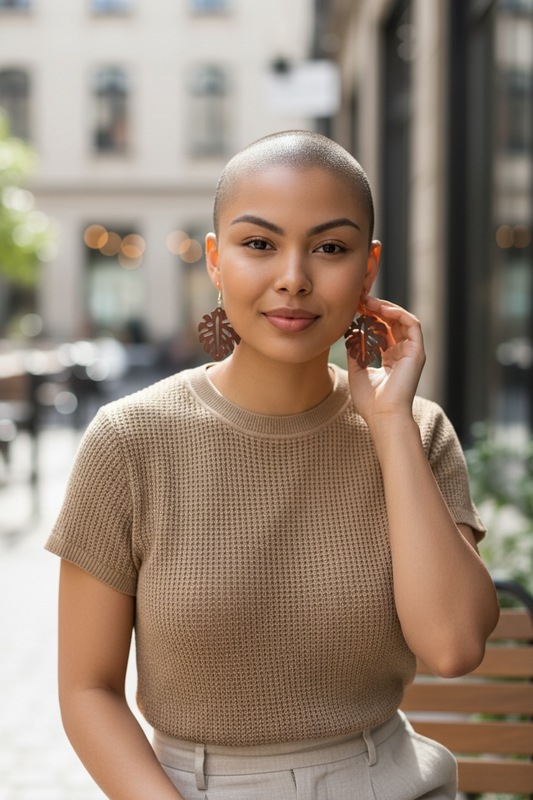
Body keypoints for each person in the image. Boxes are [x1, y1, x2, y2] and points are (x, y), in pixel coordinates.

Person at [45, 130, 500, 800]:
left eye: (330, 248)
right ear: (215, 260)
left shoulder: (417, 430)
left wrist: (390, 426)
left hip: (387, 781)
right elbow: (87, 691)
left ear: (366, 269)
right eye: (259, 243)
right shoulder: (129, 440)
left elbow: (454, 646)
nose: (293, 276)